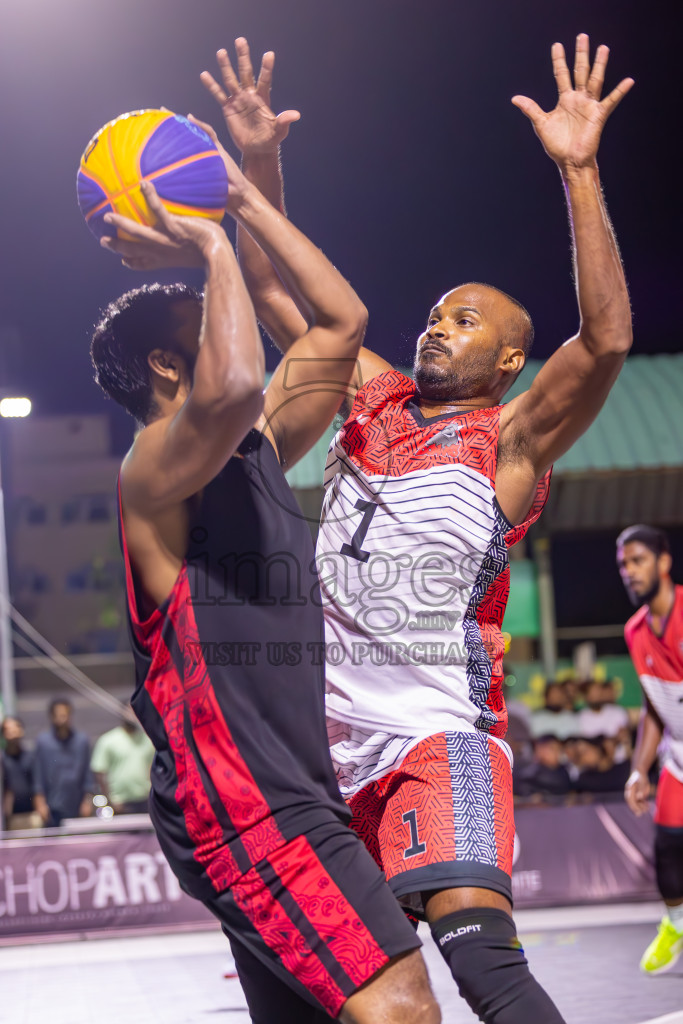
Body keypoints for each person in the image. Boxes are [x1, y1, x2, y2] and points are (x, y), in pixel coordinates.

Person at [231, 32, 633, 1023]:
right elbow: (280, 295)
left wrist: (576, 169)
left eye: (463, 320)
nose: (434, 325)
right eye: (435, 313)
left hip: (429, 739)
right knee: (323, 1000)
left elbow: (608, 339)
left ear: (505, 361)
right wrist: (256, 161)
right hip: (320, 754)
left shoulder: (512, 435)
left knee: (482, 968)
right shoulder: (369, 398)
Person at [92, 44, 438, 1024]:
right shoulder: (153, 465)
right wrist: (201, 242)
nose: (228, 317)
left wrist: (241, 193)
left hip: (288, 787)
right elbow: (240, 375)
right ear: (168, 364)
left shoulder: (247, 449)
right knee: (400, 1007)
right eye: (208, 316)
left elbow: (337, 323)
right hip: (242, 803)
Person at [617, 524, 683, 974]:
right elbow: (653, 703)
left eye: (638, 560)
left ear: (663, 562)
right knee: (667, 849)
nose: (629, 571)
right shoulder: (635, 631)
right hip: (677, 757)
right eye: (623, 564)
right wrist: (640, 770)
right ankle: (676, 924)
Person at [32, 698, 94, 827]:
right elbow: (38, 774)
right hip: (52, 806)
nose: (62, 719)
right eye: (58, 715)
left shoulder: (81, 741)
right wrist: (40, 801)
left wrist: (87, 801)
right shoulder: (43, 742)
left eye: (65, 715)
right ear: (52, 717)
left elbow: (88, 774)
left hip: (76, 804)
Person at [91, 710, 155, 814]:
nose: (132, 716)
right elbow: (100, 772)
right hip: (120, 802)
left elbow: (153, 768)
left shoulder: (148, 740)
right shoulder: (108, 740)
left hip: (146, 800)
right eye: (129, 712)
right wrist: (110, 799)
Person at [1, 716, 41, 830]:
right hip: (9, 819)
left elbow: (37, 784)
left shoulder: (30, 757)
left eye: (15, 729)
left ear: (21, 731)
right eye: (7, 730)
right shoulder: (2, 760)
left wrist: (40, 807)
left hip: (31, 815)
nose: (12, 733)